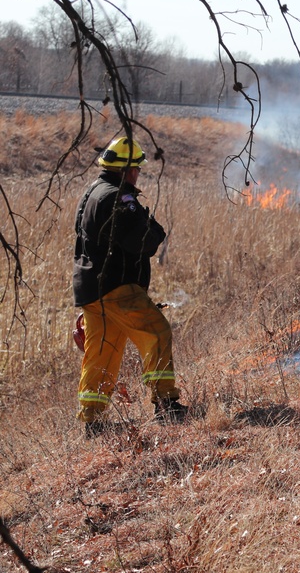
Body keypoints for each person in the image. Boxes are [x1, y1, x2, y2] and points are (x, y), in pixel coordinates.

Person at [73, 136, 187, 436]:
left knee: (101, 353)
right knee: (157, 332)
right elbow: (143, 241)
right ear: (126, 169)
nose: (138, 173)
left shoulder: (92, 192)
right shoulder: (119, 197)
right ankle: (166, 405)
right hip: (118, 286)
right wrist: (155, 229)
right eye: (135, 167)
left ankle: (92, 421)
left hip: (91, 289)